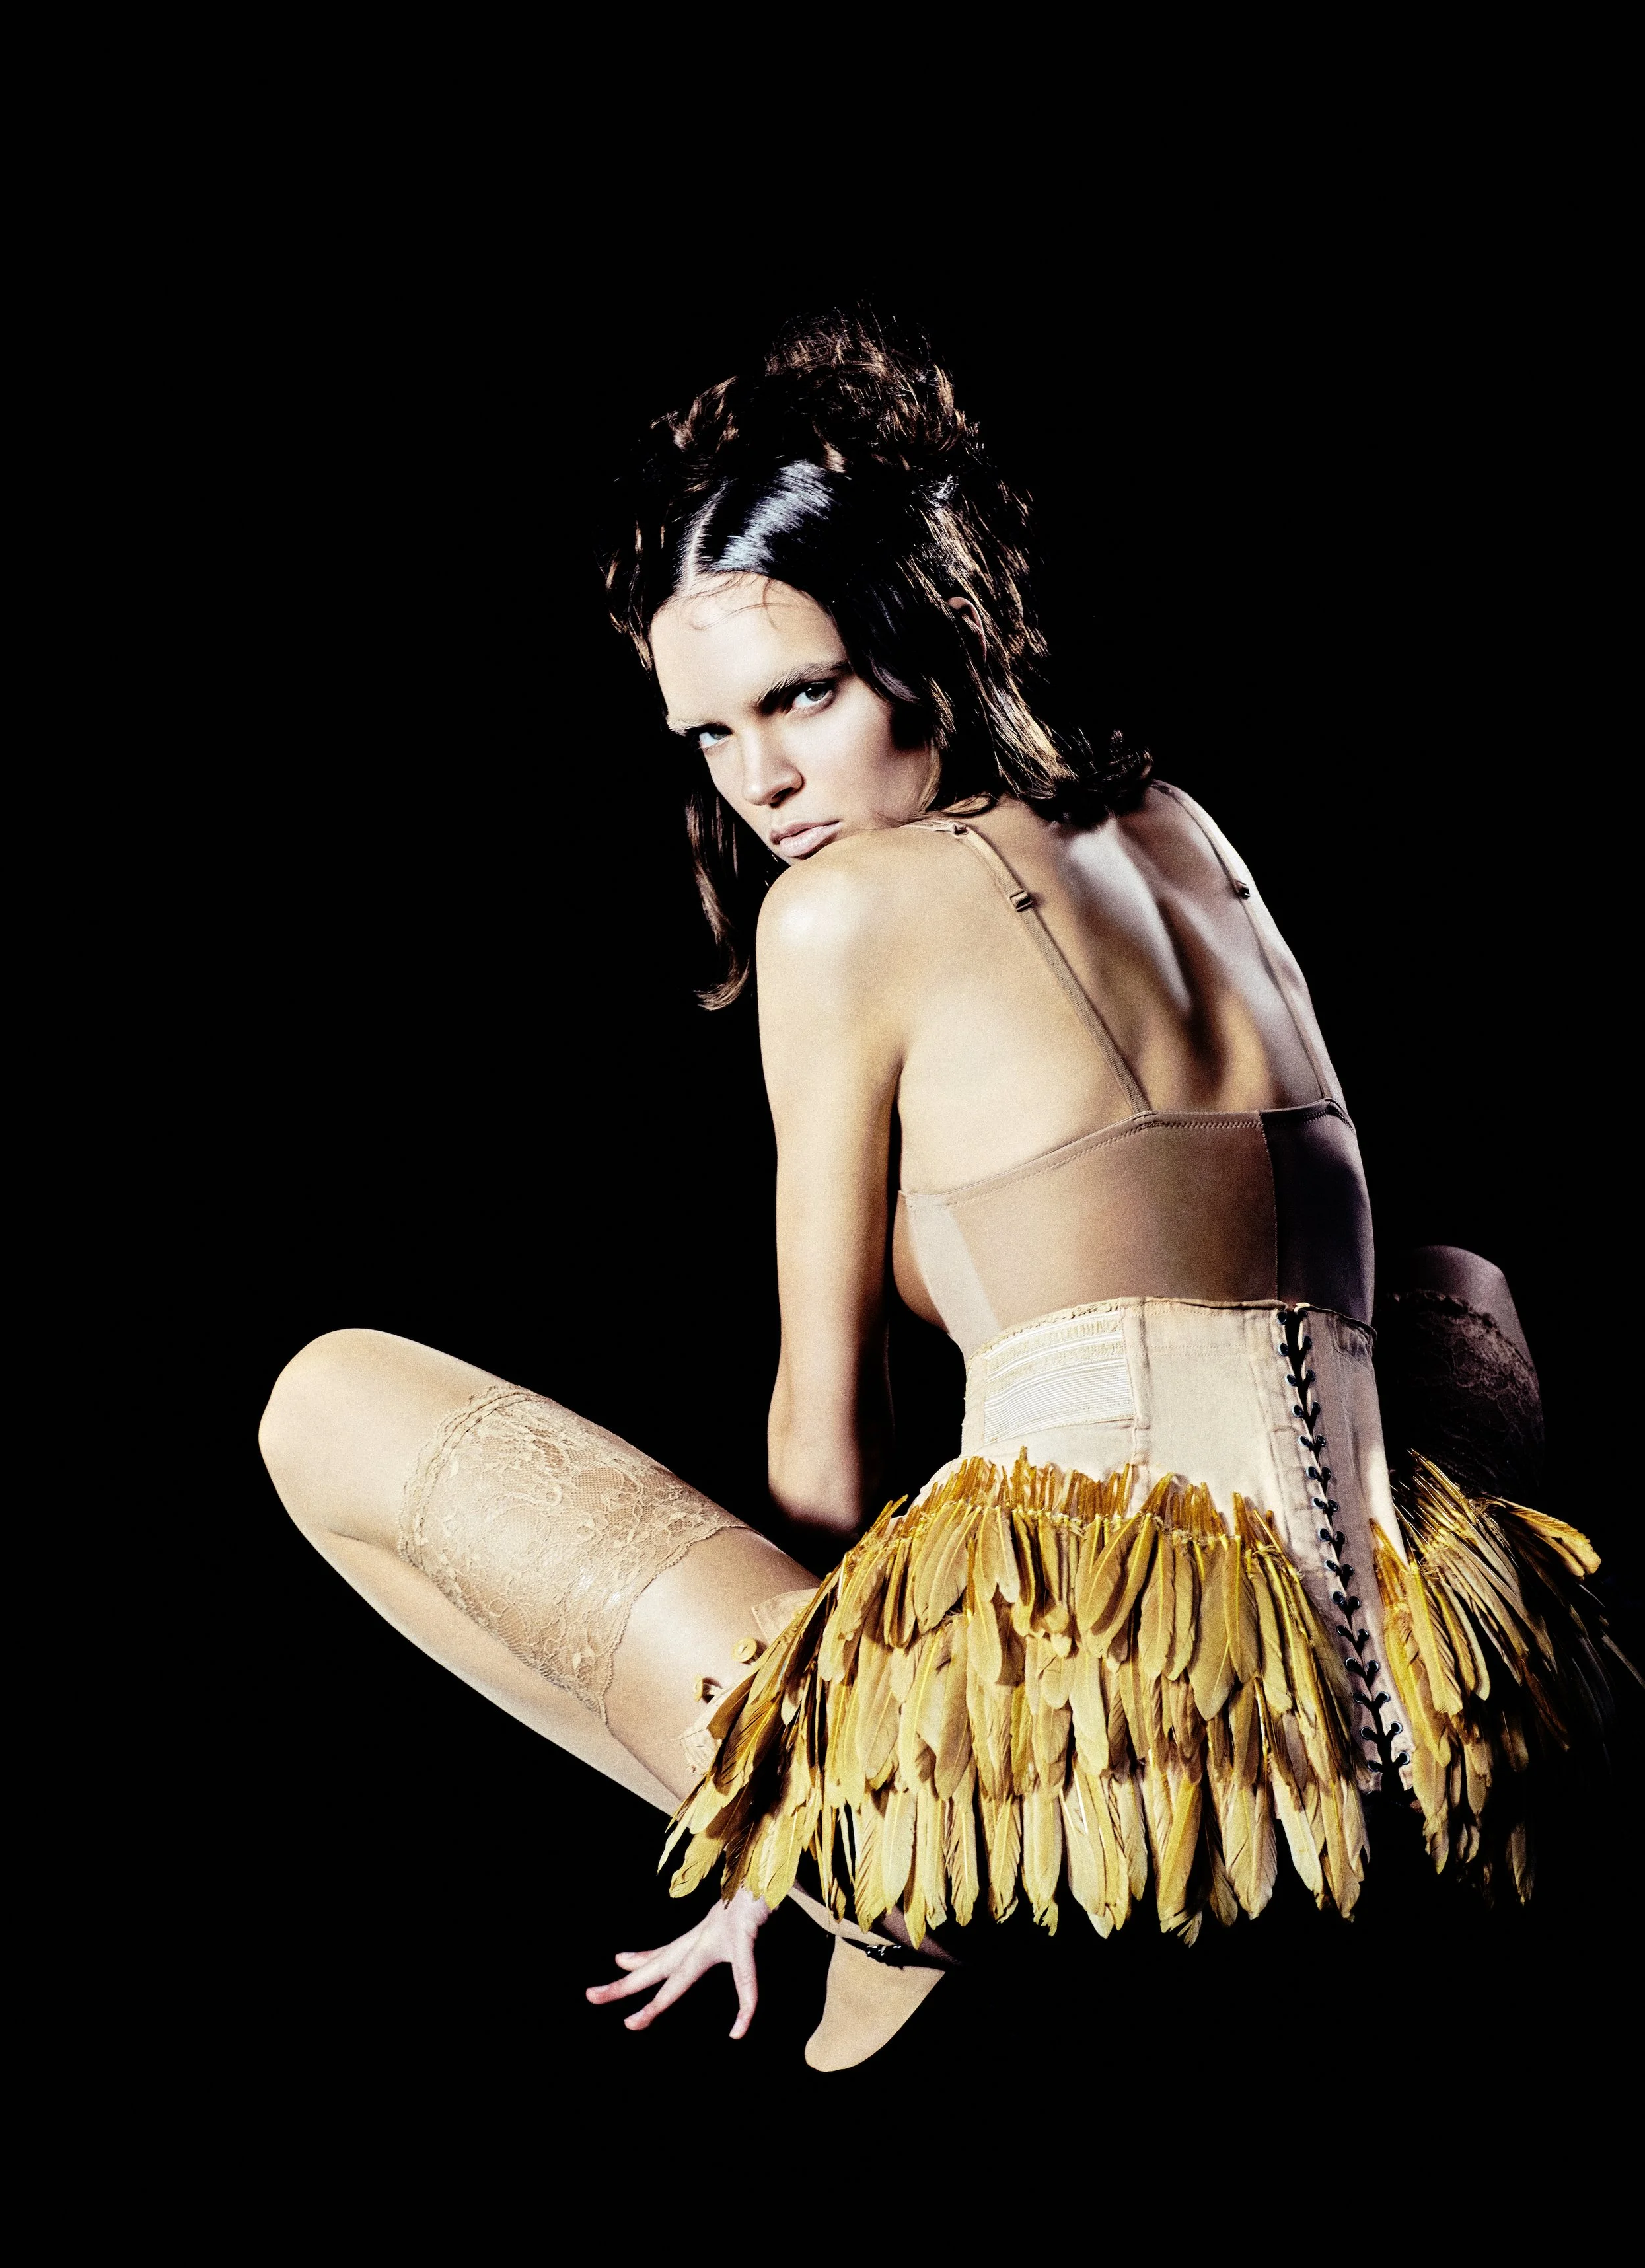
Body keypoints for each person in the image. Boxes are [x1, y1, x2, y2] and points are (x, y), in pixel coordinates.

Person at [258, 311, 1624, 2071]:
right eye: (709, 735)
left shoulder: (842, 915)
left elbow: (820, 1432)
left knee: (322, 1399)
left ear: (919, 634)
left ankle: (841, 1876)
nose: (758, 781)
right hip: (1418, 1741)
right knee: (1434, 1274)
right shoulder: (1184, 834)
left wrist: (774, 1790)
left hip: (1056, 1784)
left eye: (801, 696)